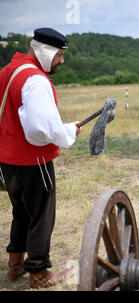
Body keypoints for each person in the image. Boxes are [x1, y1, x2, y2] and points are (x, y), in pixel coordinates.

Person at [0, 28, 81, 288]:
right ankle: (38, 273)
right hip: (32, 161)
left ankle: (15, 264)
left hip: (6, 160)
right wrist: (69, 131)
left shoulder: (7, 72)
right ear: (47, 52)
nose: (62, 60)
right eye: (59, 54)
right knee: (41, 216)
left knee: (20, 211)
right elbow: (42, 129)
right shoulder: (35, 80)